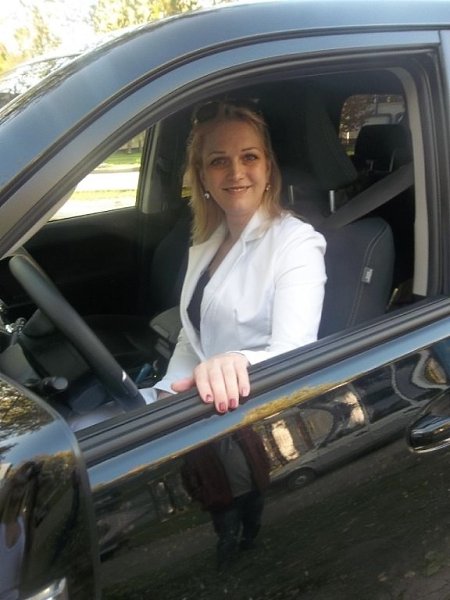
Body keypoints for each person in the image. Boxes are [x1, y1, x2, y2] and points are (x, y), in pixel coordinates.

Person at [150, 99, 327, 413]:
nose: (236, 172)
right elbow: (193, 336)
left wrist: (238, 361)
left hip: (247, 408)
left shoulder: (297, 243)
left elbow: (295, 354)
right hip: (191, 403)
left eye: (249, 157)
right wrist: (169, 391)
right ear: (203, 177)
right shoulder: (209, 239)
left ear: (267, 168)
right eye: (219, 161)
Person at [181, 426, 271, 571]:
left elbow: (260, 451)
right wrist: (204, 497)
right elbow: (189, 477)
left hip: (253, 489)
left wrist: (264, 472)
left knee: (253, 523)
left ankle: (247, 543)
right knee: (228, 534)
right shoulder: (197, 447)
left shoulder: (243, 431)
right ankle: (224, 563)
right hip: (224, 500)